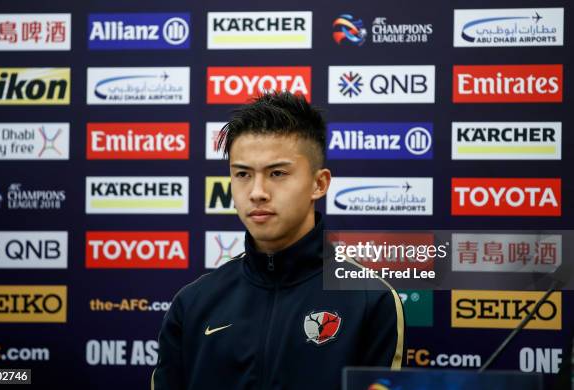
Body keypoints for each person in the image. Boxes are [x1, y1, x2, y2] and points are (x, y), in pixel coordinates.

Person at [152, 91, 404, 390]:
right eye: (243, 174)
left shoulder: (369, 300)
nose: (257, 191)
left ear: (318, 183)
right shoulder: (193, 303)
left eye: (278, 173)